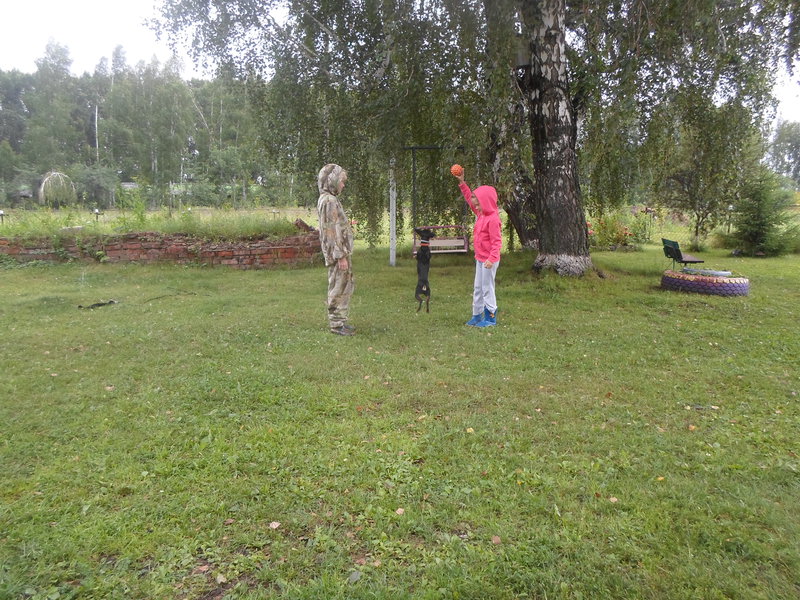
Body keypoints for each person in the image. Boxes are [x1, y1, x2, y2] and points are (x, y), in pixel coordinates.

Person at [454, 169, 502, 327]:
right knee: (478, 288)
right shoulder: (481, 214)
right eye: (474, 197)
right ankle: (477, 315)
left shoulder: (493, 219)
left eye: (476, 197)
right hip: (480, 259)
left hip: (489, 260)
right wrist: (462, 183)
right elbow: (468, 198)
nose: (473, 200)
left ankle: (490, 318)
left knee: (487, 288)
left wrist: (492, 259)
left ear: (485, 200)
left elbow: (497, 242)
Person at [317, 164, 355, 336]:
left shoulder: (328, 199)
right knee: (339, 286)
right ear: (332, 180)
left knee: (344, 285)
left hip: (339, 252)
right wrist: (340, 256)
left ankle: (341, 321)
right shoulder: (329, 201)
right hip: (337, 253)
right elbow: (331, 230)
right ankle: (337, 324)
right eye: (341, 181)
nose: (343, 185)